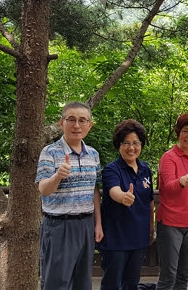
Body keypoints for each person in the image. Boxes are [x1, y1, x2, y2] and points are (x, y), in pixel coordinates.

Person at [36, 101, 103, 290]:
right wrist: (57, 176)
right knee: (57, 283)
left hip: (86, 224)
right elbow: (43, 189)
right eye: (71, 120)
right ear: (61, 123)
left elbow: (94, 190)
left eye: (83, 120)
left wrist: (98, 223)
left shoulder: (93, 154)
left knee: (83, 282)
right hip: (59, 226)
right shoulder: (49, 152)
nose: (77, 125)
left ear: (89, 125)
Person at [98, 120, 155, 290]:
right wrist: (123, 197)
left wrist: (151, 228)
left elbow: (150, 200)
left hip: (139, 236)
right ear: (119, 145)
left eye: (136, 143)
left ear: (141, 145)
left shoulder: (146, 170)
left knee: (131, 283)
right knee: (112, 284)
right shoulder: (111, 169)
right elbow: (113, 191)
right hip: (116, 237)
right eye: (126, 143)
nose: (131, 148)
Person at [156, 112, 188, 290]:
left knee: (184, 275)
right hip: (171, 223)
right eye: (185, 131)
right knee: (168, 276)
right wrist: (181, 182)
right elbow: (167, 186)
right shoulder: (169, 157)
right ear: (178, 132)